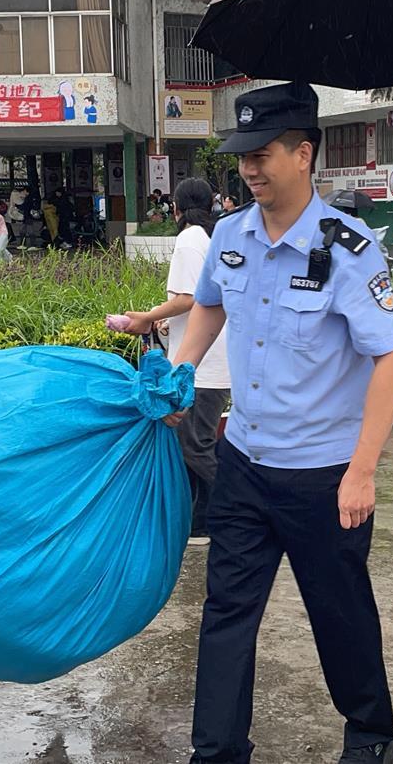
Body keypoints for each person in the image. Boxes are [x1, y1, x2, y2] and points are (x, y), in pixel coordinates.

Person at [171, 82, 393, 764]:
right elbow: (209, 305)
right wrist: (184, 365)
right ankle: (216, 749)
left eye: (263, 153)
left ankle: (370, 733)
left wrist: (362, 471)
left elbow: (389, 359)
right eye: (243, 153)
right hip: (245, 459)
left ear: (304, 154)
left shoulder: (346, 249)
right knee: (226, 613)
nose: (248, 167)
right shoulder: (230, 234)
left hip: (324, 475)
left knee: (339, 616)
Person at [121, 178, 231, 546]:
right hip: (211, 359)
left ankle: (236, 510)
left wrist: (148, 316)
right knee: (193, 442)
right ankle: (201, 522)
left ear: (176, 208)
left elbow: (187, 297)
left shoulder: (188, 240)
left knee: (192, 444)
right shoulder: (209, 238)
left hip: (200, 364)